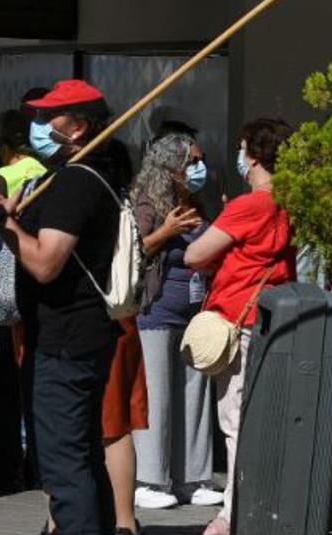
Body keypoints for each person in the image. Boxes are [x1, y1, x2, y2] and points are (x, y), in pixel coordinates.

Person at [0, 79, 140, 535]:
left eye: (47, 118)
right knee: (81, 457)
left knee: (63, 467)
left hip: (64, 343)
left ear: (77, 127)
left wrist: (7, 226)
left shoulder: (76, 181)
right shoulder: (84, 172)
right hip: (75, 336)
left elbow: (45, 263)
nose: (37, 126)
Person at [184, 118, 297, 535]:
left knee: (234, 422)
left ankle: (233, 514)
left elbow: (194, 255)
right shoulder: (290, 202)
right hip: (275, 319)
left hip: (237, 319)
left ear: (251, 155)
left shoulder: (249, 205)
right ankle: (258, 506)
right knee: (264, 420)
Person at [130, 124, 216, 510]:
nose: (200, 168)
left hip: (194, 314)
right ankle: (151, 479)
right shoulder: (148, 203)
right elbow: (134, 252)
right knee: (158, 397)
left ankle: (192, 477)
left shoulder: (196, 203)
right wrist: (165, 231)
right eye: (192, 162)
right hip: (156, 312)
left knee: (193, 396)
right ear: (172, 165)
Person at [0, 109, 44, 496]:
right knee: (35, 381)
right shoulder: (49, 169)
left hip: (3, 282)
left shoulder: (0, 177)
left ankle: (5, 469)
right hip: (37, 276)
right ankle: (39, 465)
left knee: (2, 385)